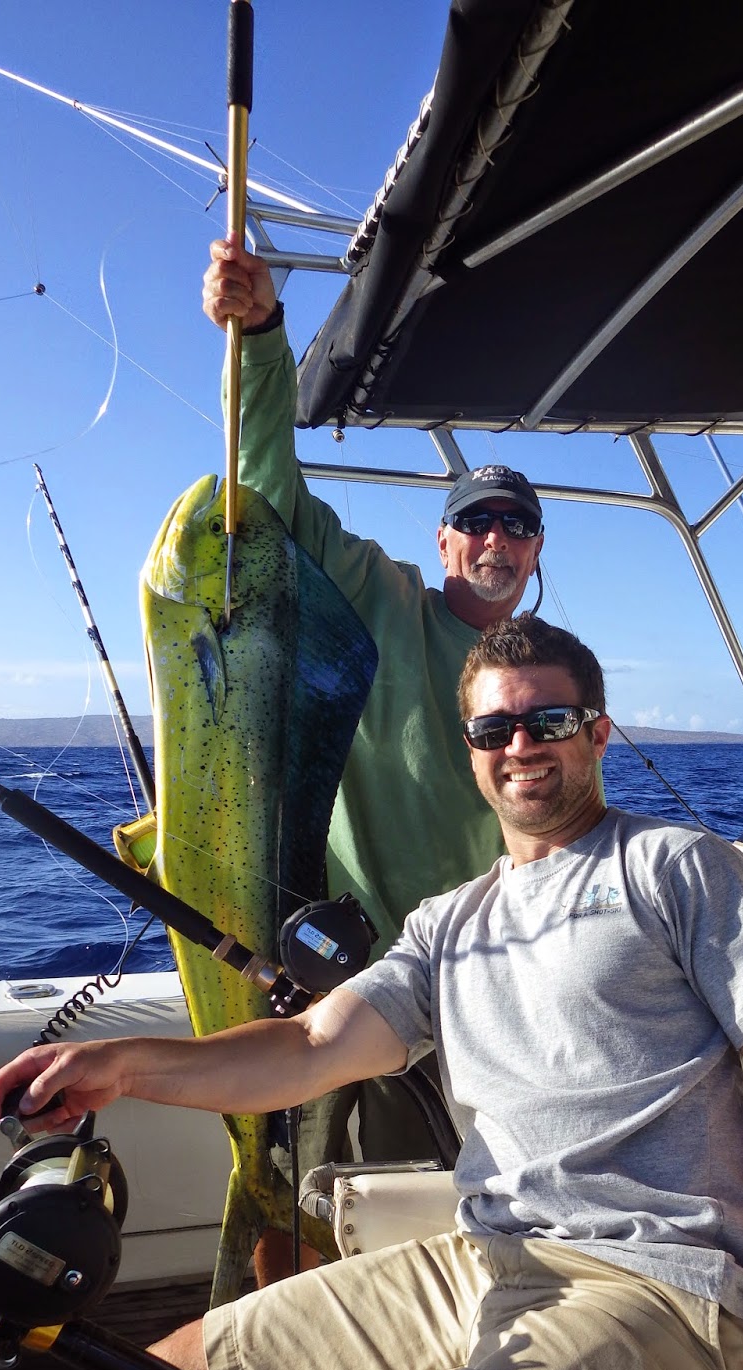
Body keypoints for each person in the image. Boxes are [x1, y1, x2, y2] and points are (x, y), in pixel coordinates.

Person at [0, 614, 743, 1370]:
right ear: (468, 751)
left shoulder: (677, 867)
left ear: (598, 730)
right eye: (493, 730)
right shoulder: (446, 924)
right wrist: (123, 1063)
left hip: (665, 1297)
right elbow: (311, 1046)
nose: (521, 745)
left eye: (549, 718)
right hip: (485, 1264)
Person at [203, 237, 548, 1233]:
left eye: (514, 524)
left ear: (534, 550)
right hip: (333, 962)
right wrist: (262, 339)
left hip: (475, 984)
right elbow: (266, 489)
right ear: (443, 541)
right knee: (294, 1194)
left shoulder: (552, 671)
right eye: (473, 520)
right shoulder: (379, 595)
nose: (493, 538)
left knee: (416, 1209)